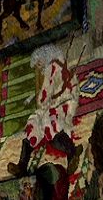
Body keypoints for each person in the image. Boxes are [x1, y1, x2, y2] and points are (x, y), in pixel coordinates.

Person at [8, 43, 83, 177]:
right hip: (52, 103)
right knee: (33, 121)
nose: (39, 66)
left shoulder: (55, 66)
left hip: (64, 101)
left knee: (49, 122)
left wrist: (46, 102)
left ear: (44, 57)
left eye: (39, 63)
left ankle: (71, 153)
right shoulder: (50, 69)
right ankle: (22, 166)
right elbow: (45, 96)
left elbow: (52, 92)